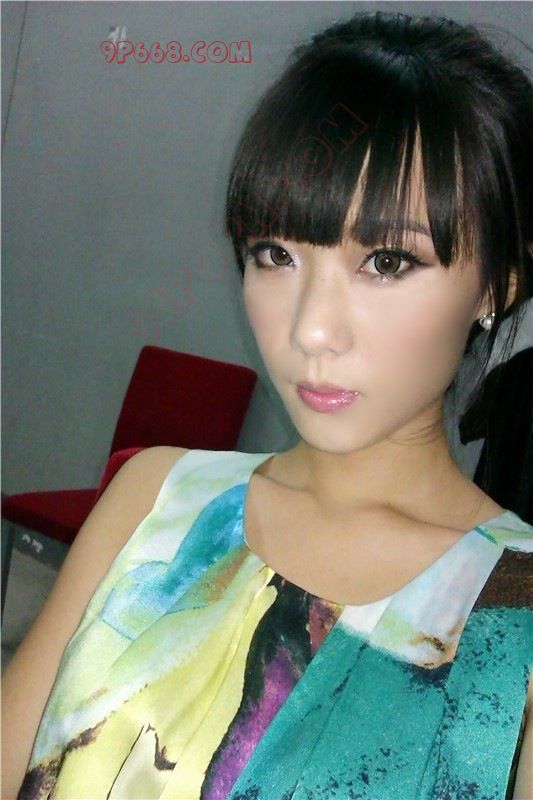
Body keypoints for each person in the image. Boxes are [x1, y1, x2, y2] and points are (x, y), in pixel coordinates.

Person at [2, 9, 532, 799]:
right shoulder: (157, 500)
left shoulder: (513, 615)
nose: (309, 327)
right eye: (275, 254)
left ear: (496, 284)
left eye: (386, 262)